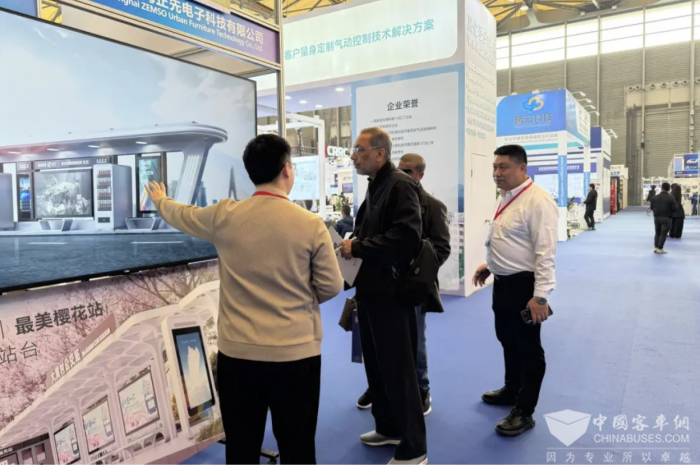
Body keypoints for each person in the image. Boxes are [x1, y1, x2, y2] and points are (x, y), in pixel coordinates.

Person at [145, 134, 343, 465]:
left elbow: (184, 215)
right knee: (297, 447)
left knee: (241, 447)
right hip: (296, 355)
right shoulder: (311, 224)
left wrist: (161, 201)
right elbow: (331, 285)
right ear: (286, 170)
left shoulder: (225, 215)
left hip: (238, 357)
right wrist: (298, 300)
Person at [339, 127, 427, 465]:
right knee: (377, 367)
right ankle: (388, 427)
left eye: (359, 150)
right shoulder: (376, 185)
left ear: (380, 154)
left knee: (399, 370)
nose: (353, 156)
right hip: (371, 291)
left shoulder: (400, 185)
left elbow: (406, 238)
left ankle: (415, 447)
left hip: (392, 294)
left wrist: (358, 247)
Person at [355, 153, 451, 417]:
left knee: (414, 343)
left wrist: (414, 271)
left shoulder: (433, 206)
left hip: (411, 287)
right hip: (380, 285)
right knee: (378, 342)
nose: (402, 175)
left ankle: (421, 390)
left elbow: (441, 249)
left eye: (408, 171)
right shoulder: (381, 197)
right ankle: (378, 388)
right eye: (400, 169)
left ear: (420, 175)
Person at [472, 144, 558, 437]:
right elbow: (509, 239)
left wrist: (540, 296)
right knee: (507, 339)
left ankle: (525, 411)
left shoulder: (538, 201)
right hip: (503, 283)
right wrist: (490, 266)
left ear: (522, 168)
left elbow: (545, 253)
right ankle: (512, 389)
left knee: (529, 349)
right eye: (495, 167)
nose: (497, 173)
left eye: (503, 167)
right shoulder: (507, 196)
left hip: (525, 287)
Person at [650, 182, 676, 255]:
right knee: (663, 234)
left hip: (656, 217)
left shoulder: (655, 197)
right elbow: (674, 209)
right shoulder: (671, 198)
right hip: (666, 218)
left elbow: (651, 207)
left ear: (661, 188)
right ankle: (660, 248)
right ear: (669, 189)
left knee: (657, 233)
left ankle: (656, 247)